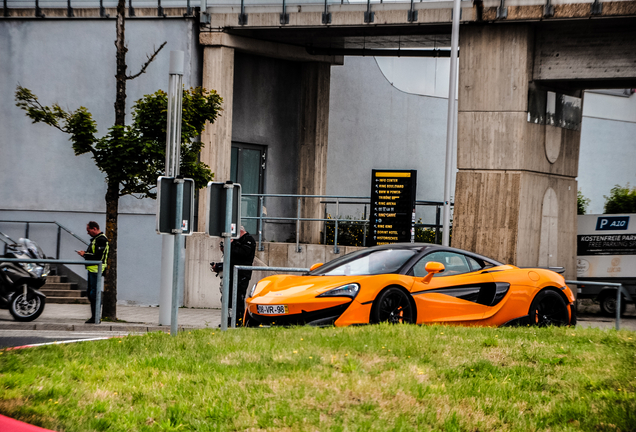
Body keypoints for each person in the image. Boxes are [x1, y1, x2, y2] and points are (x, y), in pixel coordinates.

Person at [211, 226, 256, 326]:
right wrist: (218, 265)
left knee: (238, 298)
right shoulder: (236, 242)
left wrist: (231, 245)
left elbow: (242, 254)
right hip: (231, 274)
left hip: (242, 274)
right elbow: (231, 260)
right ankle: (228, 320)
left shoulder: (248, 240)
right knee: (227, 298)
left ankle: (238, 321)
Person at [76, 221, 109, 323]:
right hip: (92, 270)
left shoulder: (101, 240)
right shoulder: (96, 239)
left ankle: (96, 317)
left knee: (94, 294)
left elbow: (98, 256)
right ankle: (94, 317)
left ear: (94, 229)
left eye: (88, 230)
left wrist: (85, 254)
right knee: (91, 293)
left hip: (96, 270)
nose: (87, 233)